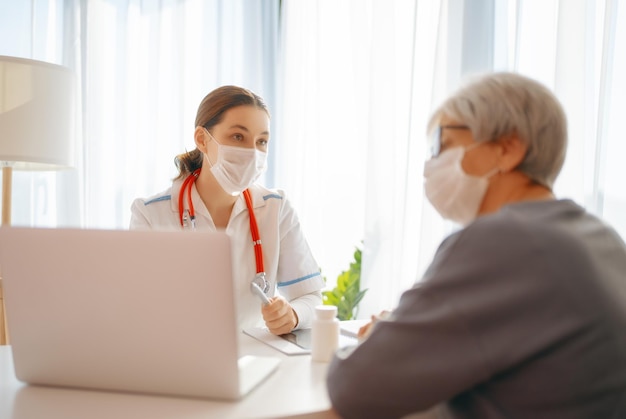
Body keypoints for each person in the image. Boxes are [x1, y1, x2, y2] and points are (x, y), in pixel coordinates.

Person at [326, 72, 626, 418]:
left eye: (442, 144)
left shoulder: (504, 240)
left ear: (507, 148)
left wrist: (383, 338)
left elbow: (355, 387)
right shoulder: (598, 236)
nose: (430, 165)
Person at [130, 85, 324, 335]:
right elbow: (137, 308)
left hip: (255, 359)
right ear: (202, 139)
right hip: (178, 359)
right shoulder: (150, 214)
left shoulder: (275, 208)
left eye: (261, 141)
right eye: (237, 137)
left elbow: (311, 296)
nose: (252, 152)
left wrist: (293, 315)